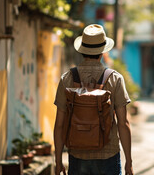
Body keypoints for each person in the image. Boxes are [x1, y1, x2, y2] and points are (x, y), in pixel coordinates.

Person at [53, 24, 134, 175]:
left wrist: (58, 162)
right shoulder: (114, 78)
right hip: (108, 155)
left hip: (78, 155)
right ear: (103, 51)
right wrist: (128, 162)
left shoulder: (67, 79)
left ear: (82, 49)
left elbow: (59, 125)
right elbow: (123, 123)